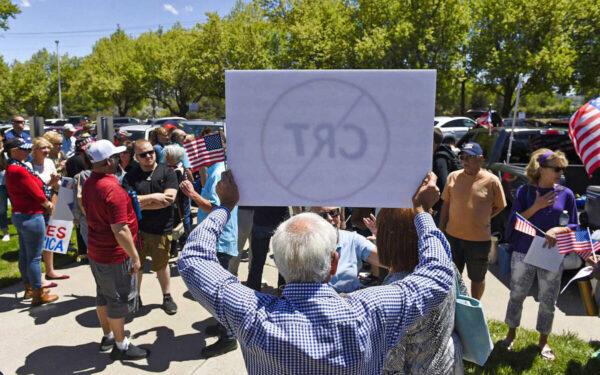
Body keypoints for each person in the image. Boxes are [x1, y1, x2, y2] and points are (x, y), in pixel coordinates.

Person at [178, 171, 453, 374]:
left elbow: (192, 260)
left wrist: (224, 207)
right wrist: (422, 212)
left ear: (280, 264)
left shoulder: (251, 315)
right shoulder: (370, 312)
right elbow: (438, 273)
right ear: (333, 263)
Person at [500, 149, 576, 361]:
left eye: (562, 168)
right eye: (556, 168)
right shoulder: (525, 192)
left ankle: (543, 341)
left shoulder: (566, 194)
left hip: (552, 254)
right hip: (524, 251)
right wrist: (537, 206)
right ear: (541, 170)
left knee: (548, 300)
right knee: (517, 294)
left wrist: (557, 230)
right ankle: (510, 334)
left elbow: (573, 224)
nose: (560, 172)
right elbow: (515, 222)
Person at [82, 139, 148, 361]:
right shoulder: (112, 189)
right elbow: (120, 229)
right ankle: (121, 345)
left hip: (96, 251)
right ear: (109, 161)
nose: (120, 159)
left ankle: (109, 336)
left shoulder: (89, 182)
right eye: (117, 156)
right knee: (118, 299)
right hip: (114, 255)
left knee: (103, 296)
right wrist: (135, 256)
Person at [377, 208, 463, 374]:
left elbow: (390, 366)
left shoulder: (396, 293)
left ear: (388, 240)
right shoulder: (446, 268)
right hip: (449, 362)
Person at [179, 156, 239, 357]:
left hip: (219, 240)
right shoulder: (218, 168)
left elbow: (217, 208)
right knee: (218, 292)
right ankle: (223, 327)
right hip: (219, 238)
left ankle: (229, 338)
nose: (191, 157)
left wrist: (192, 194)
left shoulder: (218, 172)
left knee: (219, 293)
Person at [440, 142, 506, 300]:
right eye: (463, 157)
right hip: (453, 237)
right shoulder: (453, 176)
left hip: (479, 240)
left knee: (477, 278)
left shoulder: (492, 181)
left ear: (481, 159)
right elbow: (446, 204)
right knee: (452, 276)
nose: (465, 161)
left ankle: (475, 305)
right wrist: (441, 229)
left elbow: (500, 206)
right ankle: (454, 305)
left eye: (470, 157)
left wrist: (484, 217)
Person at [123, 140, 178, 315]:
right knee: (136, 265)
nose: (148, 156)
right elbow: (127, 204)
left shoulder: (168, 172)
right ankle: (136, 296)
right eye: (143, 154)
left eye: (151, 152)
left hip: (161, 228)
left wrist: (140, 202)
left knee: (161, 265)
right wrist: (155, 197)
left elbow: (169, 199)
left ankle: (167, 296)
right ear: (136, 157)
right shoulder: (130, 176)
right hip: (137, 229)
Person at [5, 138, 58, 305]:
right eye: (24, 149)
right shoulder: (18, 170)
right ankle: (38, 293)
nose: (27, 152)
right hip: (31, 215)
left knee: (25, 254)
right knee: (34, 257)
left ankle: (29, 288)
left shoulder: (13, 168)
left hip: (21, 215)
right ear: (13, 151)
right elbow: (35, 191)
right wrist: (48, 204)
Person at [311, 206, 381, 293]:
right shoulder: (305, 244)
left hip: (349, 301)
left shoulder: (352, 239)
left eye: (333, 213)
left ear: (340, 215)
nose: (329, 218)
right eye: (322, 216)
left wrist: (380, 238)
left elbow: (385, 261)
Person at [28, 137, 68, 281]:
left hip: (52, 202)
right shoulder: (29, 165)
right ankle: (37, 277)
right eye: (43, 148)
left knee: (50, 238)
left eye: (47, 148)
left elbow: (55, 186)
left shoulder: (50, 162)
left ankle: (50, 270)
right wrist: (51, 183)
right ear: (34, 150)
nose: (46, 151)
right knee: (38, 241)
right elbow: (34, 190)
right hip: (36, 206)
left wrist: (57, 182)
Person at [245, 206, 289, 291]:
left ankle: (253, 291)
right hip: (280, 220)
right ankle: (283, 292)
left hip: (261, 220)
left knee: (257, 262)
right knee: (283, 261)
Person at [432, 128, 460, 223]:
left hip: (444, 206)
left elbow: (444, 184)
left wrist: (435, 206)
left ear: (433, 142)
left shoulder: (440, 157)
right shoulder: (444, 152)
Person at [0, 133, 10, 241]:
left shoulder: (9, 150)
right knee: (2, 209)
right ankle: (5, 231)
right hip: (0, 184)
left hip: (12, 183)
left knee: (17, 206)